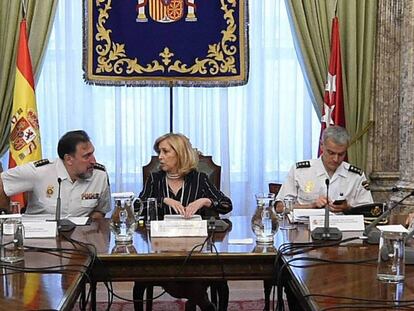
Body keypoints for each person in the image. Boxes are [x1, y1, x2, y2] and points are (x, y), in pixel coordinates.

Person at [134, 133, 232, 311]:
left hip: (195, 251)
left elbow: (226, 205)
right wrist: (162, 200)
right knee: (176, 274)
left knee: (198, 273)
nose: (160, 157)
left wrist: (205, 201)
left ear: (179, 153)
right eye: (159, 152)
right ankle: (204, 303)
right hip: (162, 252)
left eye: (165, 151)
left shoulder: (199, 179)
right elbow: (137, 207)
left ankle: (198, 300)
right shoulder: (155, 180)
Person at [0, 130, 110, 219]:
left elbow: (101, 211)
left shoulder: (100, 175)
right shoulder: (40, 172)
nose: (93, 161)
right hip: (38, 239)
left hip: (80, 241)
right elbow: (2, 182)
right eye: (87, 156)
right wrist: (8, 214)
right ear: (69, 159)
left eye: (93, 153)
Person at [276, 125, 373, 212]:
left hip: (344, 229)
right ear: (322, 146)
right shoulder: (300, 171)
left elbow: (369, 211)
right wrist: (311, 206)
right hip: (304, 229)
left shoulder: (356, 176)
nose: (336, 159)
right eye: (331, 153)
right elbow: (279, 207)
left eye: (341, 154)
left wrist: (348, 208)